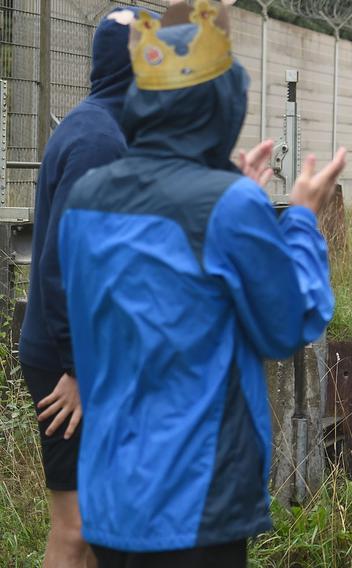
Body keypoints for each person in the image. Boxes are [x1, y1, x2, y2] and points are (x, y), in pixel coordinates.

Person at [56, 1, 346, 562]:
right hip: (197, 497)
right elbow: (288, 325)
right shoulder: (229, 207)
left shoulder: (88, 197)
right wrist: (303, 219)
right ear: (222, 102)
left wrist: (224, 189)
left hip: (110, 489)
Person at [16, 8, 156, 566]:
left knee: (100, 523)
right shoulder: (99, 141)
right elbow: (61, 268)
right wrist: (76, 371)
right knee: (75, 527)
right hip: (67, 362)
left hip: (84, 355)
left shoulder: (107, 128)